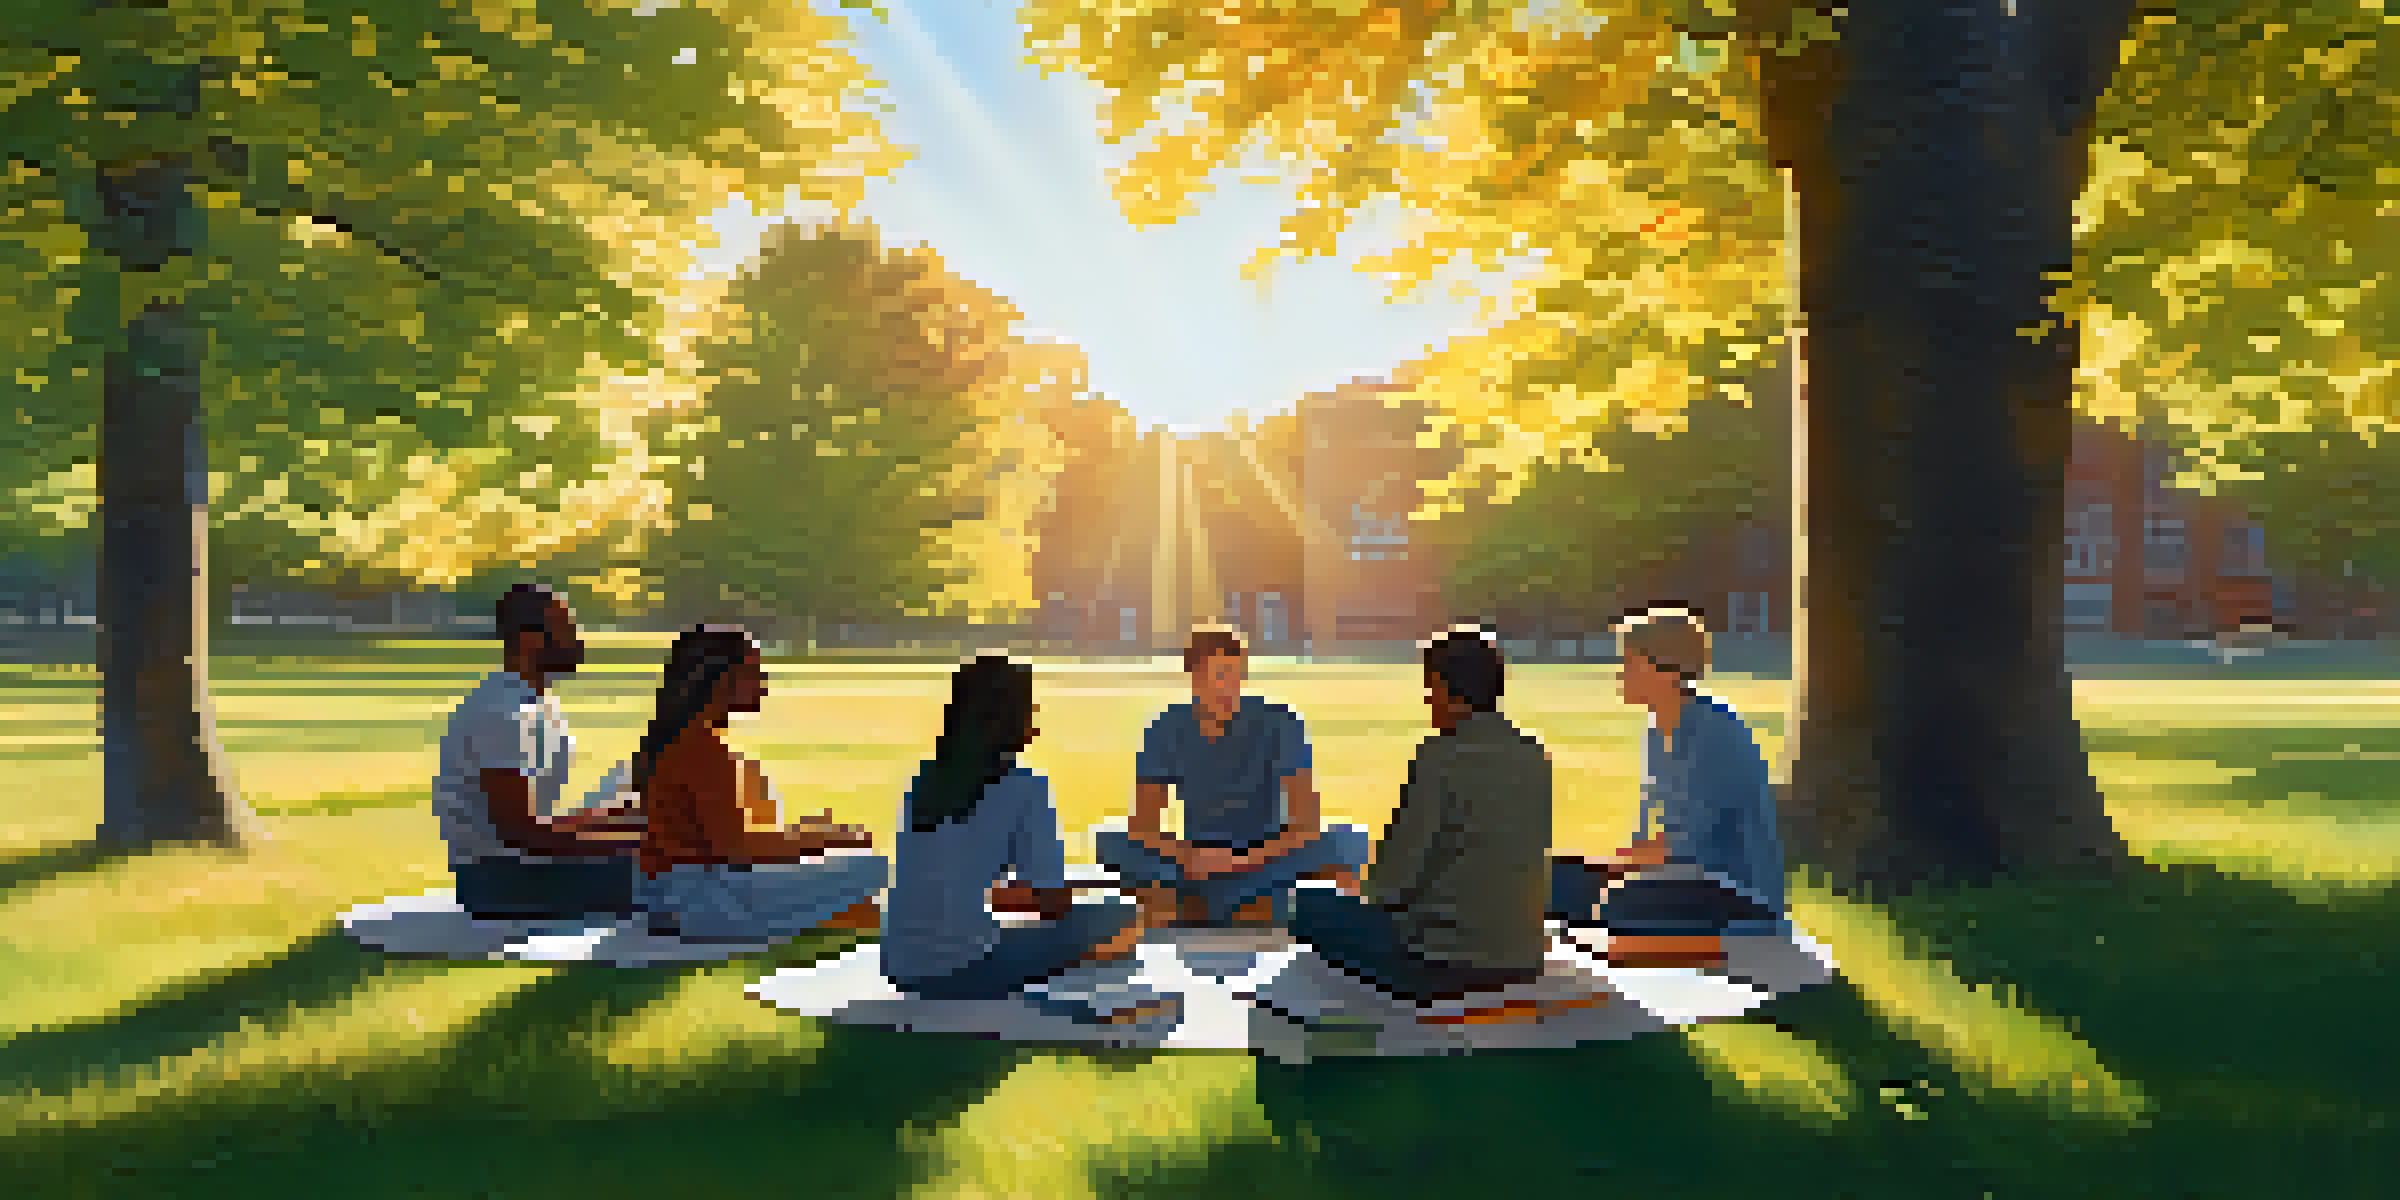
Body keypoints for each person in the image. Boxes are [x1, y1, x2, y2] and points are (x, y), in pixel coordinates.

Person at [881, 653, 1175, 1024]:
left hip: (899, 964)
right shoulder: (1024, 786)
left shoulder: (924, 780)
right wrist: (1091, 894)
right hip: (962, 971)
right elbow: (1051, 904)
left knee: (1047, 923)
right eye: (1030, 705)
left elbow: (948, 873)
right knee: (1120, 915)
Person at [1287, 627, 1554, 1004]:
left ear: (1447, 690)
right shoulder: (1534, 755)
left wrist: (1359, 892)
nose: (1428, 701)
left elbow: (1393, 882)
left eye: (1431, 689)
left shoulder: (1438, 758)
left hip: (1440, 960)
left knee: (1308, 903)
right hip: (1523, 956)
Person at [1549, 608, 1788, 968]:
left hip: (1735, 890)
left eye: (1630, 663)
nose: (1620, 673)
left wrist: (1625, 868)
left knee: (1617, 902)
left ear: (1664, 669)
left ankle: (1728, 946)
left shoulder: (1716, 732)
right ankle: (1634, 936)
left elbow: (1688, 842)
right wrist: (1612, 866)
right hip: (1679, 875)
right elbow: (1652, 828)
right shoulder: (1656, 728)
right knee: (1558, 876)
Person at [1094, 628, 1371, 928]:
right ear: (1194, 677)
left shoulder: (1281, 722)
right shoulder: (1165, 727)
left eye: (1236, 675)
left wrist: (1238, 861)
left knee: (1346, 840)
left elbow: (1306, 825)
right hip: (1195, 859)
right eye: (1219, 675)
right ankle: (1251, 909)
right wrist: (1187, 854)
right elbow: (1143, 826)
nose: (1229, 688)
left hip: (1266, 855)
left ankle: (1192, 908)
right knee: (1110, 839)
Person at [633, 625, 887, 941]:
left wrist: (806, 837)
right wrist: (821, 840)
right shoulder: (703, 749)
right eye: (754, 672)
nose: (764, 683)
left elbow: (722, 840)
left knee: (850, 892)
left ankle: (841, 914)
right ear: (723, 679)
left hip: (669, 893)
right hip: (701, 900)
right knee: (873, 866)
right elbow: (737, 851)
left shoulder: (677, 739)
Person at [432, 583, 644, 920]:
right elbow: (523, 835)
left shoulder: (539, 704)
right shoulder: (501, 713)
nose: (579, 642)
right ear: (531, 640)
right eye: (567, 630)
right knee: (684, 878)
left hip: (530, 865)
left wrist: (623, 818)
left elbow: (539, 824)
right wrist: (636, 843)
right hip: (502, 881)